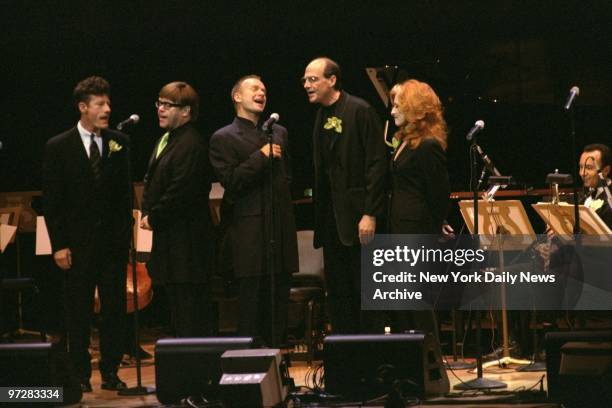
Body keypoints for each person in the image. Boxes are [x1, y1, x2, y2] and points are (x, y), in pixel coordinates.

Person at [42, 76, 132, 392]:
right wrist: (60, 245)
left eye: (108, 103)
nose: (107, 109)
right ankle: (80, 374)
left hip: (112, 247)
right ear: (83, 107)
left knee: (114, 310)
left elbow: (124, 197)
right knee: (78, 312)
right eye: (99, 104)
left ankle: (110, 371)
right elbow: (53, 203)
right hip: (76, 247)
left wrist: (125, 239)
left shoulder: (119, 142)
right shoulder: (59, 146)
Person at [209, 75, 298, 346]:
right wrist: (261, 157)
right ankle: (249, 370)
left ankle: (279, 369)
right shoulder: (223, 137)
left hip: (279, 228)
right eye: (254, 88)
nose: (261, 92)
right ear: (237, 97)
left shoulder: (278, 132)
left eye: (264, 89)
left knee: (279, 304)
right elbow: (231, 182)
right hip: (249, 234)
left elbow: (288, 177)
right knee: (251, 308)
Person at [303, 57, 387, 334]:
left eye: (313, 79)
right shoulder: (320, 116)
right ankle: (347, 358)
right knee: (339, 296)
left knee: (364, 292)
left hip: (358, 219)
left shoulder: (359, 110)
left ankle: (373, 358)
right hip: (332, 223)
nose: (307, 85)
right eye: (305, 80)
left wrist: (370, 213)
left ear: (332, 80)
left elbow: (377, 164)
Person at [141, 81, 215, 337]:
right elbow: (153, 181)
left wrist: (154, 216)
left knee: (190, 313)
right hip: (171, 244)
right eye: (159, 103)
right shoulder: (166, 139)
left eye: (168, 105)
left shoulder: (192, 143)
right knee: (177, 312)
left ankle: (197, 369)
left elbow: (181, 191)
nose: (160, 109)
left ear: (186, 111)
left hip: (188, 247)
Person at [387, 79, 451, 337]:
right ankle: (411, 359)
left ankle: (430, 362)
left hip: (416, 231)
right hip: (400, 228)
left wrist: (435, 226)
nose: (392, 111)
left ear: (414, 108)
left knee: (417, 302)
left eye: (398, 105)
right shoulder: (405, 141)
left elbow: (438, 193)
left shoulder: (427, 145)